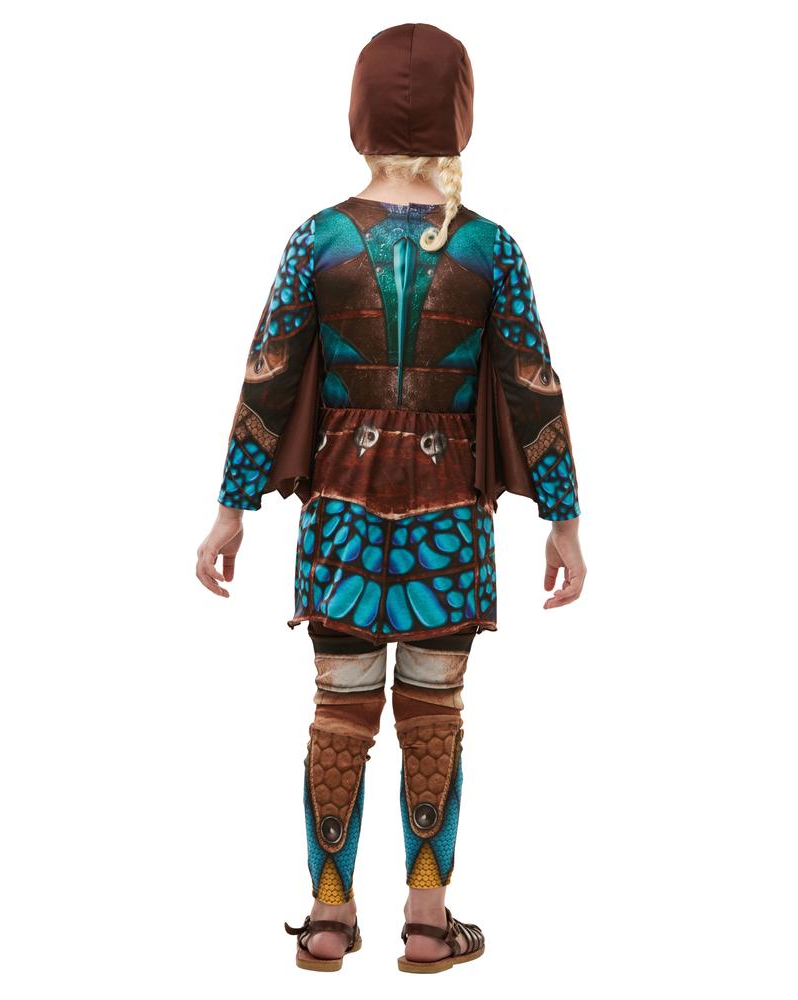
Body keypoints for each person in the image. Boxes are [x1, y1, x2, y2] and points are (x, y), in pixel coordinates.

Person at [194, 22, 587, 974]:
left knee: (340, 710)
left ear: (359, 115)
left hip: (341, 516)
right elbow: (532, 385)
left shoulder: (318, 240)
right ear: (461, 117)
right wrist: (564, 518)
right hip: (449, 525)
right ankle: (425, 921)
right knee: (434, 712)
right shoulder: (490, 248)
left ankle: (329, 919)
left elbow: (268, 379)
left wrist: (232, 508)